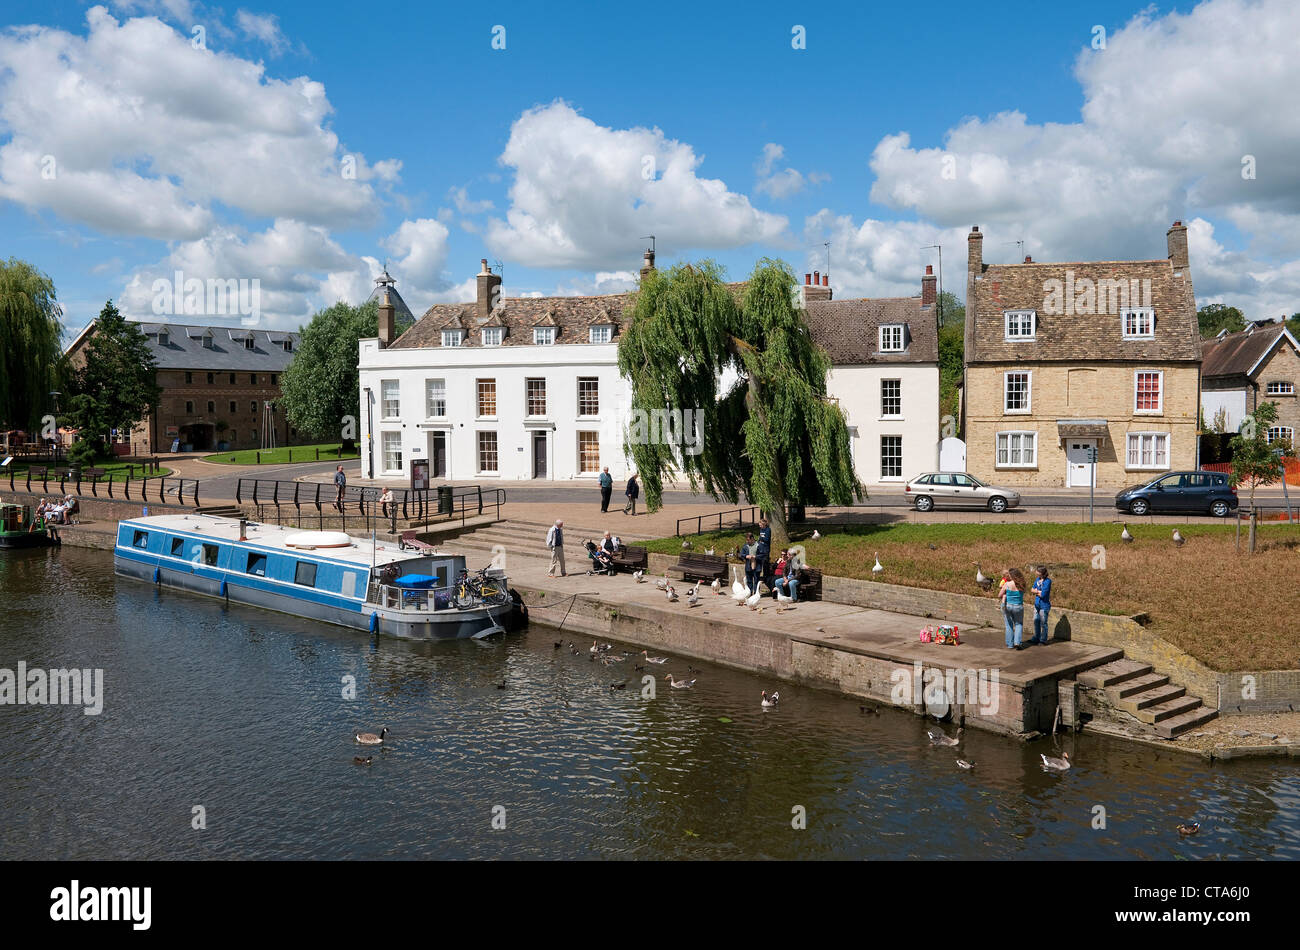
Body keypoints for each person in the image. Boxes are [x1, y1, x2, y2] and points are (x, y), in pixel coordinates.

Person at [1000, 567, 1026, 650]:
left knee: (1008, 625)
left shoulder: (1007, 584)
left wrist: (1005, 595)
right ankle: (1017, 642)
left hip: (1008, 606)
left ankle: (1010, 644)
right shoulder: (1022, 584)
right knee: (1019, 624)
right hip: (1018, 606)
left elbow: (999, 595)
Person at [1031, 566, 1052, 645]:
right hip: (1037, 605)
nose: (1035, 572)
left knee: (1043, 623)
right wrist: (1037, 591)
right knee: (1036, 621)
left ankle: (1043, 640)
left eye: (1037, 571)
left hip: (1044, 605)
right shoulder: (1037, 580)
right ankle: (1037, 637)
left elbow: (1043, 594)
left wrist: (1036, 591)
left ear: (1041, 572)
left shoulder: (1047, 581)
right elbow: (1031, 589)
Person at [756, 518, 773, 590]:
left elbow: (767, 539)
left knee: (765, 563)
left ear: (764, 524)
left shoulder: (768, 530)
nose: (760, 526)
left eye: (760, 525)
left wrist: (761, 539)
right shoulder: (761, 530)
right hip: (760, 549)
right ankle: (761, 576)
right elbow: (760, 538)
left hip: (765, 549)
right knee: (759, 563)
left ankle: (766, 576)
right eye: (759, 525)